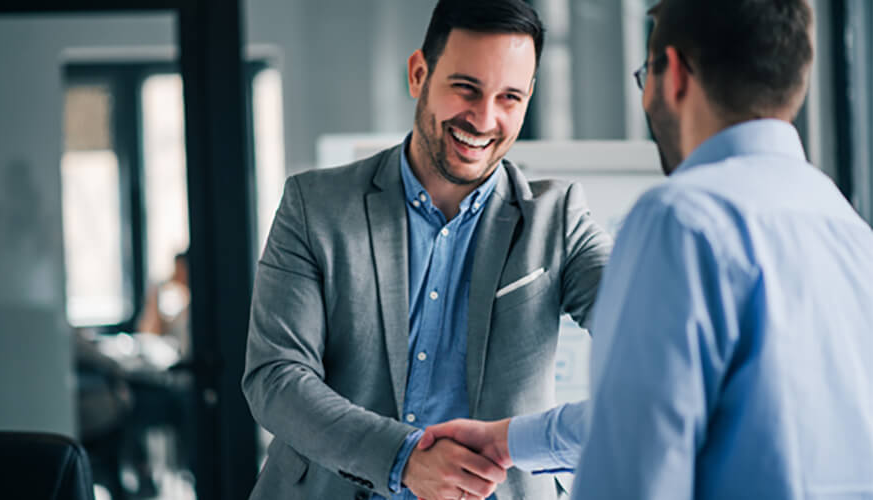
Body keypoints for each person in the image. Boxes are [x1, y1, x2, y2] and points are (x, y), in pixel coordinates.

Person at [419, 0, 873, 498]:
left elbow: (635, 466)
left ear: (673, 74)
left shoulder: (682, 220)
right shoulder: (850, 232)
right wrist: (509, 440)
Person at [241, 0, 613, 498]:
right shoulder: (316, 206)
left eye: (509, 98)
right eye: (466, 88)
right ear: (419, 74)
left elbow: (655, 344)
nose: (484, 119)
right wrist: (403, 458)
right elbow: (276, 378)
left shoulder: (558, 218)